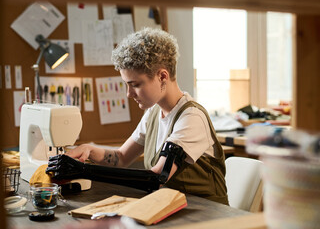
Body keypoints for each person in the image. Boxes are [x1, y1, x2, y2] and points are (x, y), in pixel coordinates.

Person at [53, 28, 228, 205]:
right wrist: (88, 150)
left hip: (209, 216)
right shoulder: (153, 113)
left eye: (134, 84)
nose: (129, 94)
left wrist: (83, 170)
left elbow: (157, 177)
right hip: (171, 209)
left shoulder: (191, 118)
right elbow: (121, 157)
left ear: (162, 76)